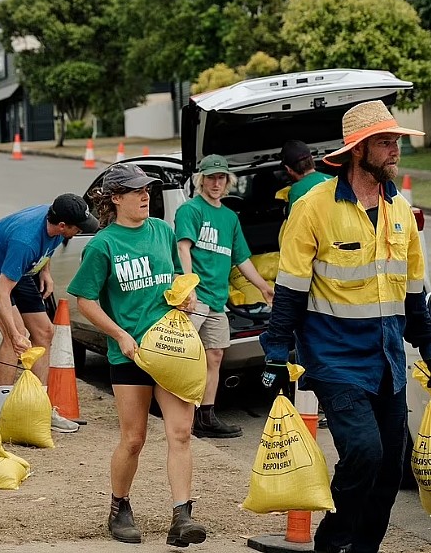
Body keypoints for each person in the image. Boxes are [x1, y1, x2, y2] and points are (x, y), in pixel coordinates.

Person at [259, 100, 431, 553]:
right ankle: (332, 544)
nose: (395, 149)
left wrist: (428, 345)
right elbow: (291, 289)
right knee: (364, 452)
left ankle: (363, 549)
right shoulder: (314, 208)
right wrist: (275, 355)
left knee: (392, 469)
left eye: (396, 140)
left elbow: (414, 291)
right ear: (358, 150)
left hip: (388, 360)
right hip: (335, 359)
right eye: (385, 141)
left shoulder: (400, 210)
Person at [67, 162, 207, 547]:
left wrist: (185, 296)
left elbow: (177, 277)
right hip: (129, 354)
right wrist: (120, 335)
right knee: (134, 439)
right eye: (136, 191)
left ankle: (182, 516)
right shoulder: (102, 245)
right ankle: (120, 507)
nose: (146, 195)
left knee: (180, 432)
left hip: (171, 350)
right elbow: (85, 301)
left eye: (148, 190)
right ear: (116, 198)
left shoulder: (162, 231)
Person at [0, 193, 99, 433]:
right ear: (63, 225)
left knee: (45, 332)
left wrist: (45, 271)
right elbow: (1, 293)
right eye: (78, 228)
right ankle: (3, 412)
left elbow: (47, 247)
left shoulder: (55, 218)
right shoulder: (25, 241)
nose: (80, 232)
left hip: (19, 268)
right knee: (15, 335)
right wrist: (14, 334)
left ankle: (40, 408)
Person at [175, 154, 274, 439]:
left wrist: (265, 287)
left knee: (215, 355)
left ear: (228, 181)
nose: (216, 183)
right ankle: (181, 415)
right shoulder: (190, 211)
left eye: (221, 178)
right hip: (195, 297)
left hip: (218, 299)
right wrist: (188, 287)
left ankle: (206, 416)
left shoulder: (229, 217)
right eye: (211, 178)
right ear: (201, 180)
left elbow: (241, 259)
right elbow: (183, 248)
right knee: (184, 356)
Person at [280, 139, 332, 215]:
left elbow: (296, 224)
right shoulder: (333, 180)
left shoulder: (297, 191)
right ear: (312, 158)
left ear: (288, 169)